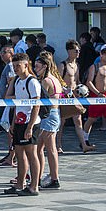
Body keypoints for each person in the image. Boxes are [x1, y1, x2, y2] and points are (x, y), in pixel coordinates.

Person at [4, 53, 41, 196]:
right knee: (19, 154)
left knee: (32, 155)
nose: (15, 69)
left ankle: (34, 186)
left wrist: (30, 126)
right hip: (19, 122)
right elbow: (17, 104)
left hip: (30, 122)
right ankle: (20, 183)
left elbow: (36, 105)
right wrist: (13, 123)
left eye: (18, 66)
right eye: (13, 66)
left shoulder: (32, 82)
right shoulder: (18, 81)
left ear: (26, 65)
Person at [57, 40, 94, 153]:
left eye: (79, 51)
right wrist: (66, 90)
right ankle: (58, 145)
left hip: (75, 96)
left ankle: (84, 145)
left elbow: (77, 81)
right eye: (76, 51)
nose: (78, 53)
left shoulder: (76, 65)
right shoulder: (62, 65)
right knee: (61, 122)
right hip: (64, 96)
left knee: (78, 120)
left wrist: (82, 89)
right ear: (69, 51)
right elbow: (59, 82)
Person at [34, 52, 63, 190]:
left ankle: (54, 178)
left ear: (45, 66)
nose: (35, 69)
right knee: (39, 148)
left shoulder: (46, 81)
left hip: (49, 115)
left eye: (37, 66)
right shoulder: (55, 79)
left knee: (50, 148)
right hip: (54, 114)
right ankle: (38, 177)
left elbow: (38, 100)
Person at [83, 44, 106, 152]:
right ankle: (84, 140)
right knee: (92, 118)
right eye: (105, 53)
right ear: (101, 54)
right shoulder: (95, 66)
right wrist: (97, 93)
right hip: (96, 96)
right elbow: (89, 82)